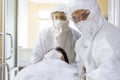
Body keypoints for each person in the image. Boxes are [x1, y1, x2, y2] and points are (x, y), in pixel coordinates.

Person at [67, 0, 120, 80]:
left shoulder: (111, 35)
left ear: (96, 10)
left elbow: (111, 73)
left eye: (84, 15)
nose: (81, 21)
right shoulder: (81, 42)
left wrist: (86, 77)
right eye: (75, 18)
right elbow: (81, 67)